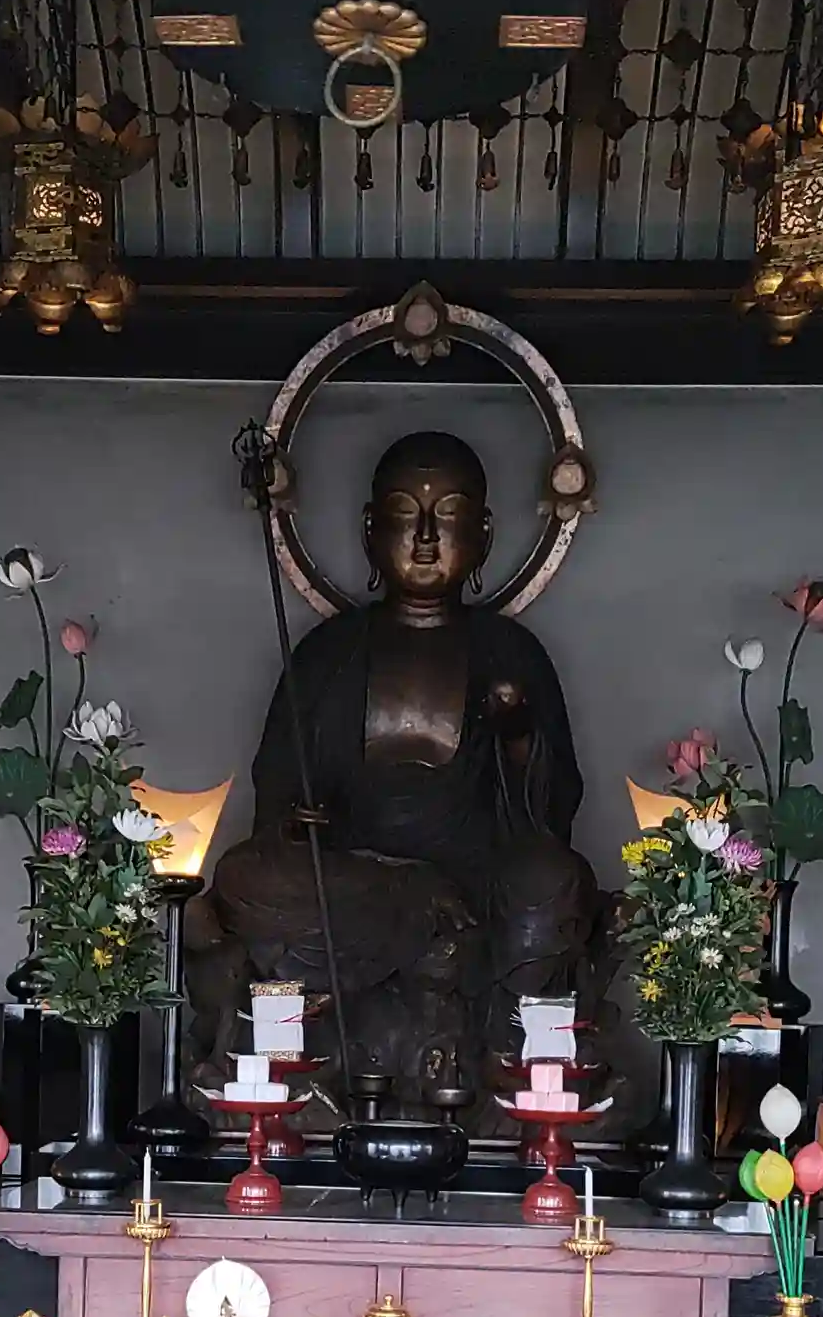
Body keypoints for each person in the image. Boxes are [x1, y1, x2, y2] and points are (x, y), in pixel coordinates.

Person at [203, 430, 597, 1107]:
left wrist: (517, 740)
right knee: (244, 877)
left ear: (482, 535)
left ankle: (511, 1055)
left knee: (555, 880)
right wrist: (298, 824)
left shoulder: (510, 653)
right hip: (359, 883)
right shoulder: (327, 654)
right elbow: (277, 797)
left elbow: (553, 812)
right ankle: (402, 946)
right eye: (403, 514)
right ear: (369, 531)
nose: (425, 538)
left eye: (449, 516)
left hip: (475, 880)